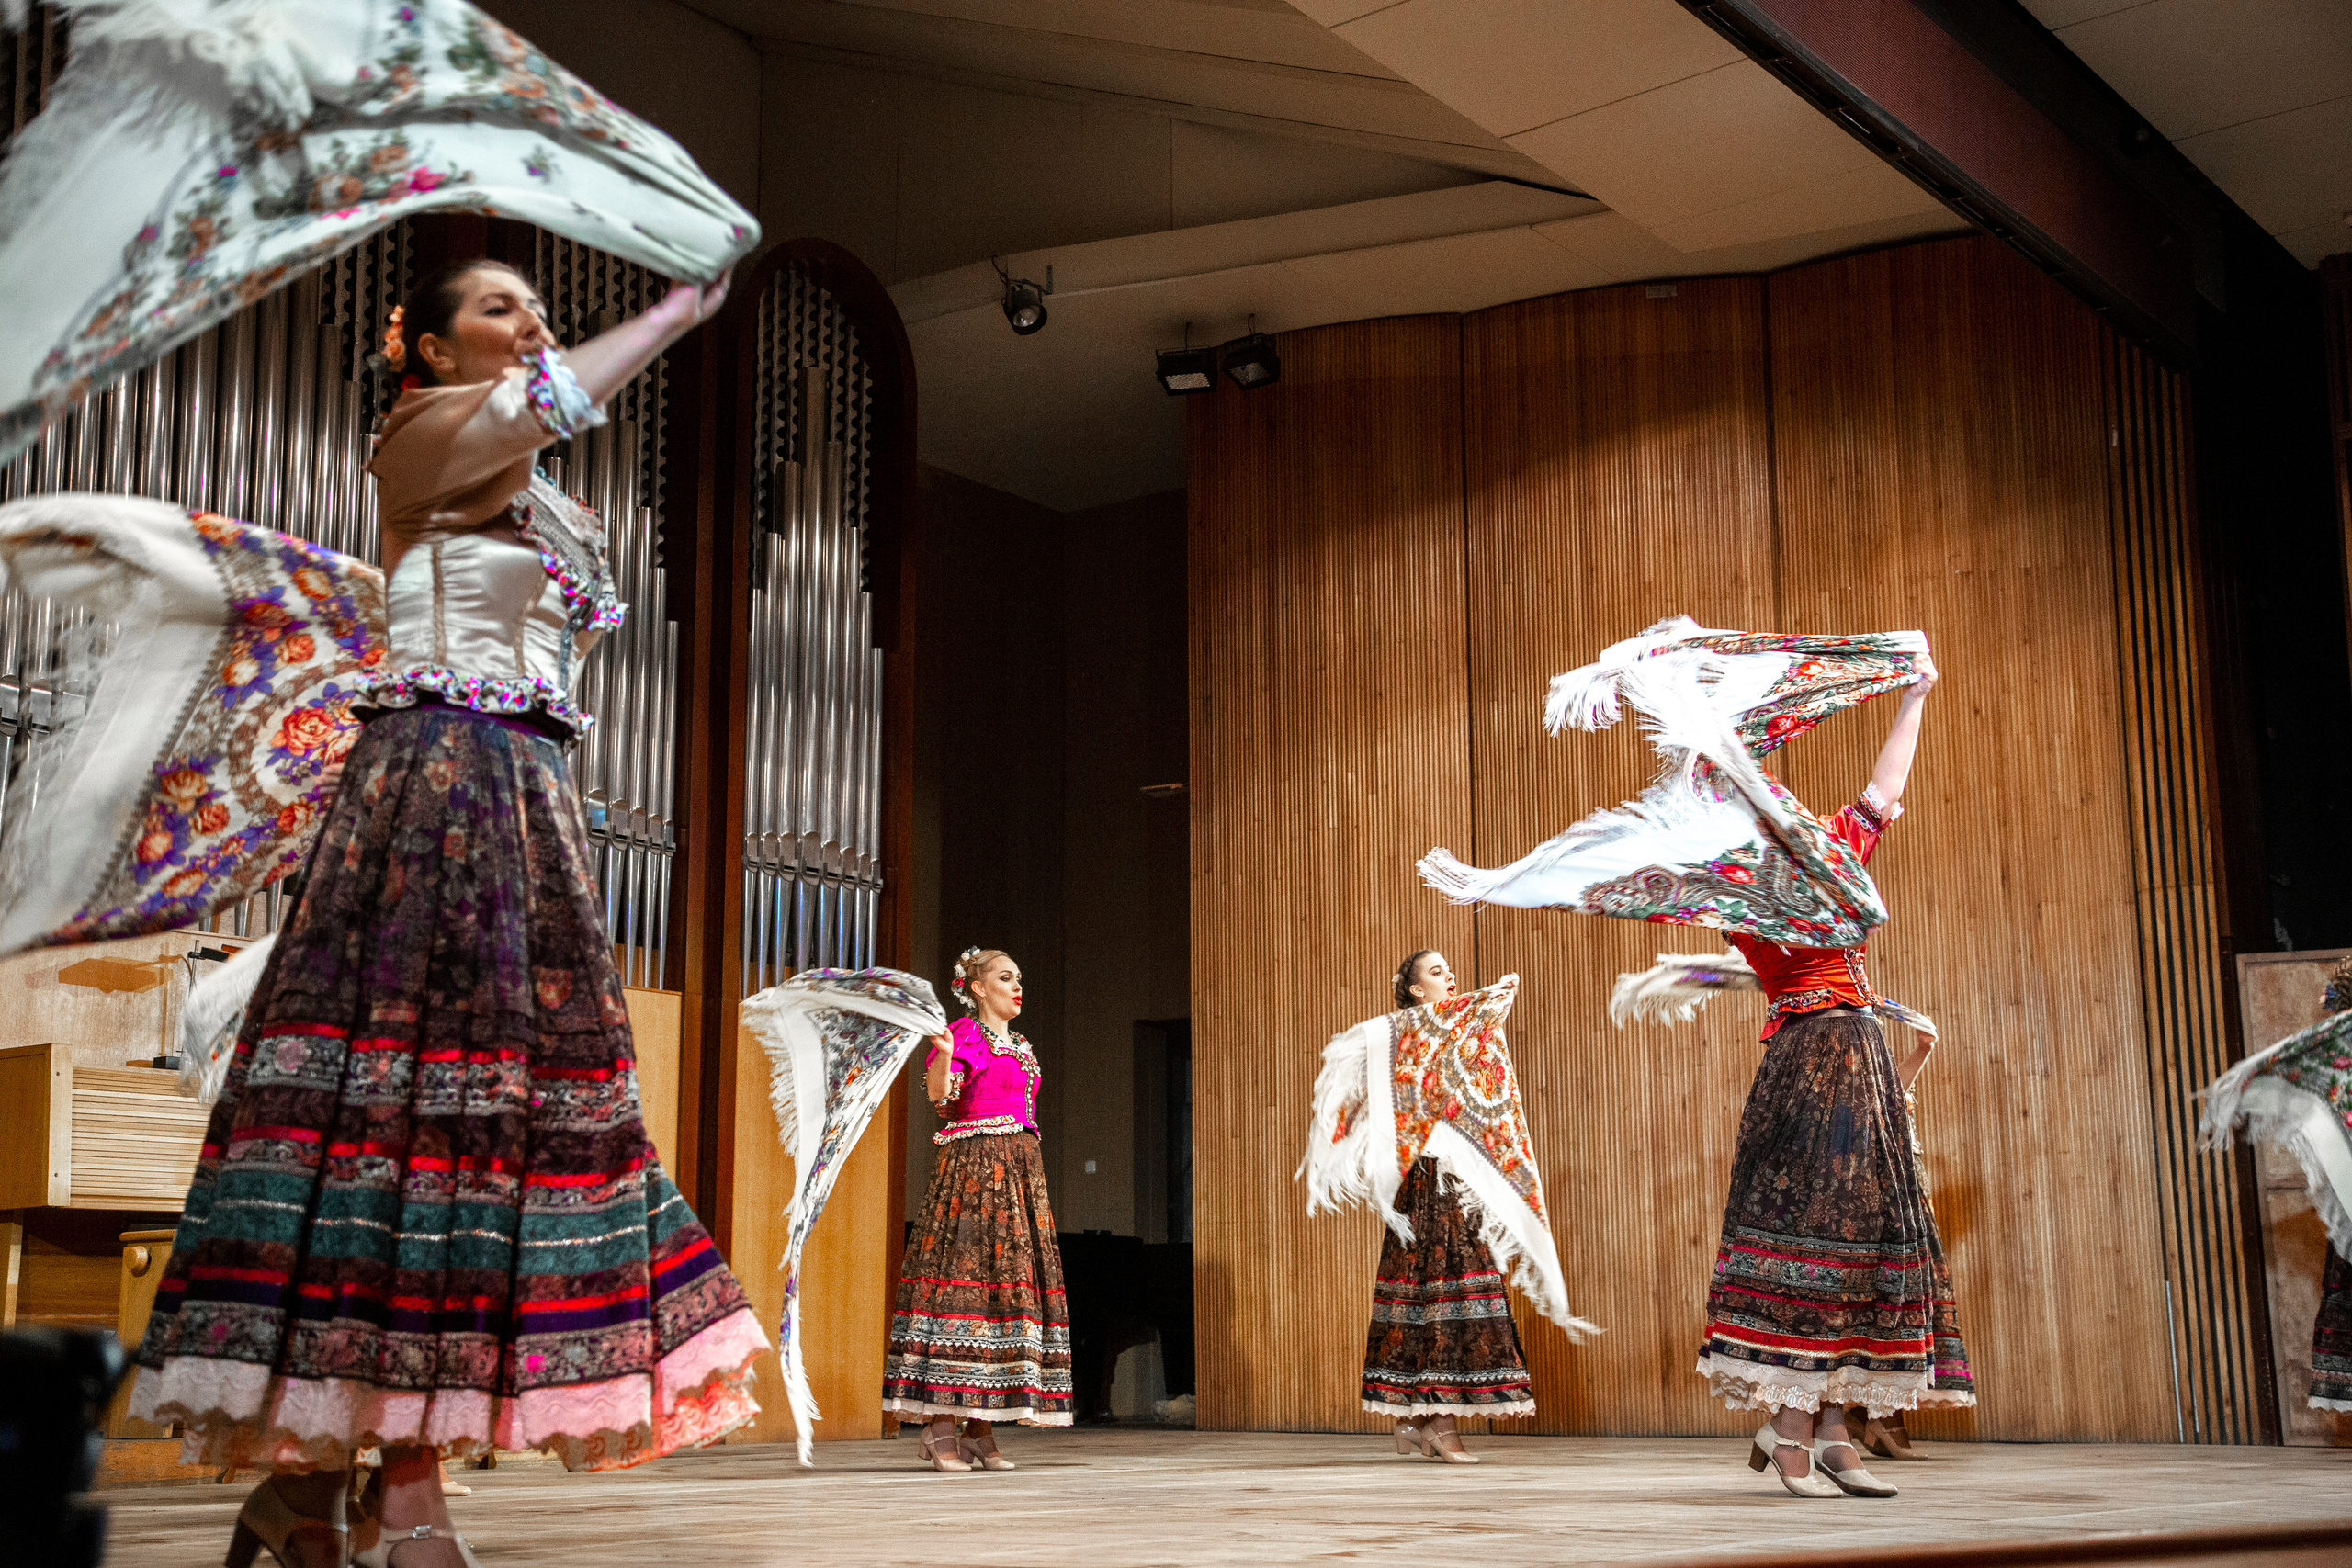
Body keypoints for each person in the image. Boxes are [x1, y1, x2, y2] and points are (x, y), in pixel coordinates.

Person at [126, 260, 766, 1567]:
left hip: (530, 797)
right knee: (419, 1127)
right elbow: (535, 407)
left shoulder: (553, 495)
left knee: (498, 1138)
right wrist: (667, 315)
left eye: (537, 308)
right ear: (414, 340)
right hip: (435, 787)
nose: (528, 322)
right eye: (496, 307)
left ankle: (317, 1492)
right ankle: (402, 1489)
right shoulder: (424, 436)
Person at [1699, 656, 1971, 1499]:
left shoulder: (1835, 845)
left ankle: (1830, 1428)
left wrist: (1917, 693)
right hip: (1807, 1061)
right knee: (1809, 1232)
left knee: (1861, 1235)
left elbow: (1884, 787)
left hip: (1862, 1056)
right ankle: (1787, 1426)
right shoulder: (1738, 883)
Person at [884, 947, 1074, 1470]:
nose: (1017, 987)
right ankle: (941, 1424)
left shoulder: (1023, 1046)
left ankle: (981, 1430)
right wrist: (943, 1052)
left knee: (1004, 1290)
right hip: (972, 1172)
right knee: (961, 1287)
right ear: (978, 987)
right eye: (1005, 977)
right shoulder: (965, 1035)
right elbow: (941, 1098)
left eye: (1020, 978)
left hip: (1017, 1176)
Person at [1360, 951, 1538, 1463]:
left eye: (1449, 970)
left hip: (1456, 1176)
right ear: (1416, 990)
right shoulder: (1410, 1031)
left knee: (1438, 1291)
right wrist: (1492, 1000)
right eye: (1437, 973)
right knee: (1442, 1292)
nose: (1451, 977)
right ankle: (1439, 1421)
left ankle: (1415, 1418)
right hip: (1432, 1179)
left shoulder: (1448, 1030)